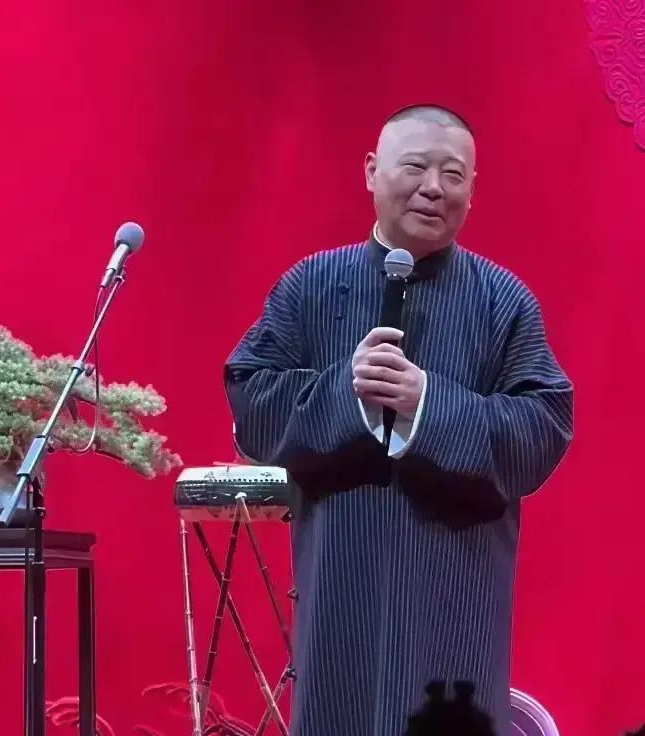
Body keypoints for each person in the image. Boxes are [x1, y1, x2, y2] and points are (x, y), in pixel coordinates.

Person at [223, 104, 573, 736]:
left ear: (472, 190)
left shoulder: (504, 301)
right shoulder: (310, 286)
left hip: (457, 588)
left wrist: (428, 404)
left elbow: (542, 428)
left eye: (453, 175)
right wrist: (346, 391)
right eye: (415, 167)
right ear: (371, 171)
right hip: (340, 575)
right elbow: (252, 400)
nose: (433, 187)